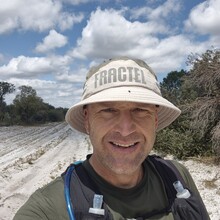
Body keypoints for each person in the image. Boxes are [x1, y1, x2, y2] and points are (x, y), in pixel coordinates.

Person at [13, 57, 210, 220]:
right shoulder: (46, 210)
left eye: (140, 110)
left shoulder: (177, 177)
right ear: (87, 120)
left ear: (155, 120)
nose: (125, 130)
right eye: (108, 110)